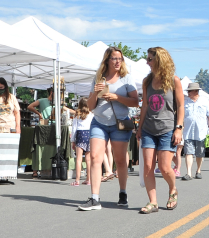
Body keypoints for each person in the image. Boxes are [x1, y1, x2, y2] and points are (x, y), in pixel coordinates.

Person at [78, 47, 139, 211]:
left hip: (119, 124)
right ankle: (95, 198)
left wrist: (116, 97)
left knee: (120, 160)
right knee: (96, 157)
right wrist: (94, 94)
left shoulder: (126, 78)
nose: (118, 61)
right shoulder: (98, 78)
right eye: (114, 58)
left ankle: (123, 192)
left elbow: (135, 102)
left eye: (120, 58)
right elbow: (90, 107)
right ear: (107, 60)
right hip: (99, 122)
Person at [136, 47, 184, 214]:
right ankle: (153, 202)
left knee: (164, 167)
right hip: (149, 129)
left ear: (159, 60)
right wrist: (139, 127)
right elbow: (145, 106)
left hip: (167, 129)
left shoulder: (174, 81)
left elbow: (180, 106)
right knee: (148, 166)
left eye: (150, 59)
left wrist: (178, 128)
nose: (147, 62)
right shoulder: (146, 82)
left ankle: (173, 189)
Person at [181, 82, 209, 181]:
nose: (188, 93)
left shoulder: (204, 101)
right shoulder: (185, 101)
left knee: (200, 153)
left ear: (196, 91)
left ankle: (198, 170)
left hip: (201, 132)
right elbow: (181, 115)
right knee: (188, 152)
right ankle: (188, 173)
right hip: (188, 131)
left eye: (189, 91)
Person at [70, 97, 93, 186]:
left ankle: (77, 180)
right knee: (88, 159)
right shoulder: (91, 114)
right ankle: (89, 179)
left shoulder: (77, 114)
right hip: (89, 134)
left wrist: (73, 140)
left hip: (80, 134)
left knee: (79, 159)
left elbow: (74, 128)